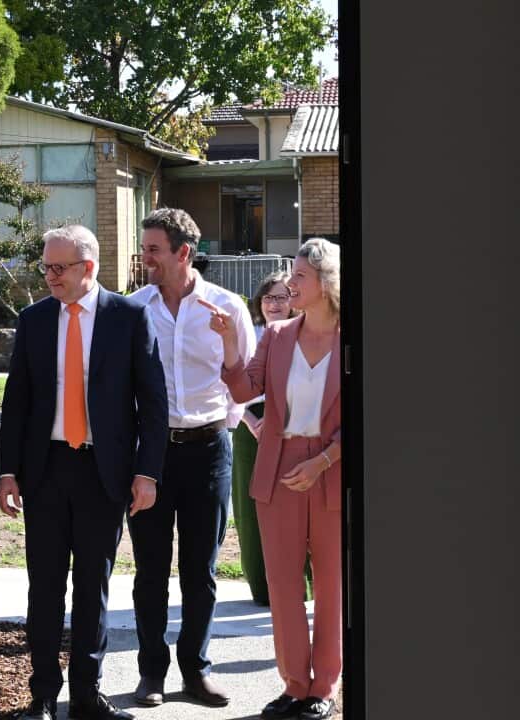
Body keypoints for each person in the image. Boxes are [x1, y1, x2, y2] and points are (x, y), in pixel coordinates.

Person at [0, 225, 168, 720]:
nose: (49, 275)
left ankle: (87, 695)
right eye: (45, 266)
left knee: (93, 586)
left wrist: (147, 473)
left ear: (87, 267)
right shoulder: (34, 319)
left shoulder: (128, 316)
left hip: (103, 472)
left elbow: (153, 403)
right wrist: (8, 472)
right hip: (45, 470)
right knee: (44, 586)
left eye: (58, 267)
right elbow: (18, 402)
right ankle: (43, 696)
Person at [200, 238, 343, 720]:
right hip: (278, 470)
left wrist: (323, 461)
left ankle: (324, 687)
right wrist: (229, 343)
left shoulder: (353, 337)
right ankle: (294, 686)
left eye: (299, 277)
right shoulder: (277, 336)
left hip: (331, 468)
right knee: (283, 586)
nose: (289, 284)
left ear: (326, 284)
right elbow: (243, 389)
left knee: (331, 586)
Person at [127, 208, 256, 708]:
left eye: (154, 249)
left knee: (200, 571)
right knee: (150, 570)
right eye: (145, 249)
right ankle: (151, 673)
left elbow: (242, 378)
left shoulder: (227, 307)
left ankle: (196, 671)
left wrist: (219, 428)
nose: (145, 258)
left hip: (208, 451)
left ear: (183, 253)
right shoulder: (134, 308)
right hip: (151, 457)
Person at [231, 272, 306, 607]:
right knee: (251, 507)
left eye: (281, 297)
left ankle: (303, 585)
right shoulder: (248, 334)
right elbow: (229, 383)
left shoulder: (304, 335)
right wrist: (248, 420)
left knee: (295, 504)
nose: (274, 304)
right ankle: (261, 588)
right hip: (250, 424)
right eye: (268, 297)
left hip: (294, 423)